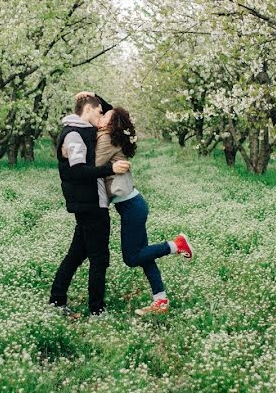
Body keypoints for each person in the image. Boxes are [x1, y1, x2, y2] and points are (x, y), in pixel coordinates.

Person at [95, 106, 194, 315]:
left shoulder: (106, 139)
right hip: (133, 204)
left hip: (131, 207)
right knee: (144, 256)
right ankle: (161, 301)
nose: (101, 116)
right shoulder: (108, 136)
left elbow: (92, 166)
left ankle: (175, 245)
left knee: (132, 258)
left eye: (106, 116)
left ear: (112, 125)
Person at [49, 93, 130, 316]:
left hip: (90, 202)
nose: (102, 115)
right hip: (90, 204)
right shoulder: (74, 134)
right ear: (87, 110)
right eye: (99, 111)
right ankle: (97, 309)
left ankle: (57, 300)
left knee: (76, 255)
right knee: (99, 258)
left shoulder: (83, 129)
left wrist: (92, 96)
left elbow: (112, 109)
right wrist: (109, 169)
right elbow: (78, 172)